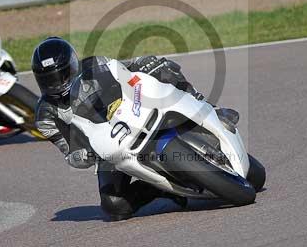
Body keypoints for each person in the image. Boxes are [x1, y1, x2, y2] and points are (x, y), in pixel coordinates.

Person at [32, 37, 240, 221]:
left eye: (61, 75)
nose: (56, 84)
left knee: (164, 69)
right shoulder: (45, 116)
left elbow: (125, 71)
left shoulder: (95, 66)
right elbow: (69, 151)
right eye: (48, 80)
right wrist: (82, 156)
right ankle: (160, 189)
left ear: (73, 65)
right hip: (106, 147)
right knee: (114, 206)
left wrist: (143, 64)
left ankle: (212, 110)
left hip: (134, 111)